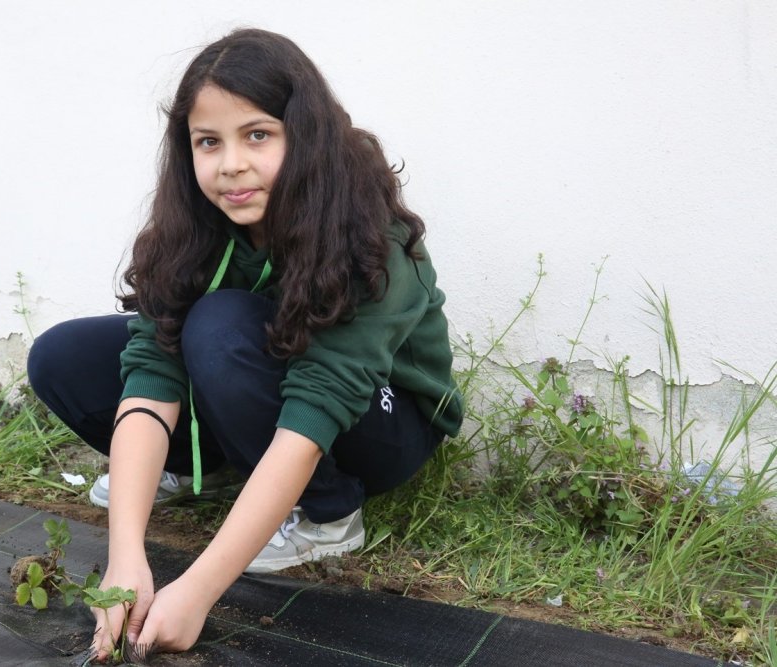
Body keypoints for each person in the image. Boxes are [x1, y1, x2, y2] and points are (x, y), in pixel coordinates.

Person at [26, 27, 463, 660]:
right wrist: (127, 560)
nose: (231, 163)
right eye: (209, 142)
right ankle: (194, 469)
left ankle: (328, 515)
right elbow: (152, 371)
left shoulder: (371, 234)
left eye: (257, 134)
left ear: (303, 135)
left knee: (219, 325)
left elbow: (318, 404)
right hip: (266, 376)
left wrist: (197, 589)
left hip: (382, 422)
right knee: (63, 357)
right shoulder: (197, 223)